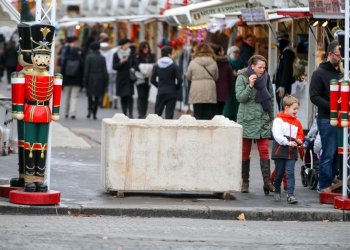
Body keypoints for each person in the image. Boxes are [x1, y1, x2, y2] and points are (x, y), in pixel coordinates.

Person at [11, 24, 62, 192]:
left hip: (44, 112)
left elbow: (57, 95)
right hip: (30, 111)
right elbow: (19, 93)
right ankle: (29, 177)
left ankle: (40, 177)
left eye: (46, 58)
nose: (43, 61)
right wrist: (18, 110)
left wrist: (55, 112)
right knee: (30, 145)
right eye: (40, 57)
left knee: (42, 146)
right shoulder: (24, 75)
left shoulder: (52, 77)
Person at [236, 55, 275, 194]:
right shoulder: (242, 77)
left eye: (264, 67)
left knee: (264, 150)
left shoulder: (266, 77)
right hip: (247, 118)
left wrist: (271, 117)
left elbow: (270, 97)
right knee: (245, 152)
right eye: (259, 67)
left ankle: (267, 183)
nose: (262, 70)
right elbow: (240, 97)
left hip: (262, 118)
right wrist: (250, 86)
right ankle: (245, 182)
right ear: (252, 66)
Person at [309, 40, 342, 192]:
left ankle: (331, 184)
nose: (340, 57)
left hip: (342, 118)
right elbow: (314, 96)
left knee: (337, 153)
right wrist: (333, 107)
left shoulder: (341, 72)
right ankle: (324, 186)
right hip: (326, 118)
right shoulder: (319, 73)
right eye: (337, 54)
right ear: (330, 54)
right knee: (328, 153)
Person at [271, 95, 304, 204]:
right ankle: (277, 190)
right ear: (286, 108)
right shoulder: (278, 120)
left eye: (297, 109)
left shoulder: (297, 122)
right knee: (279, 173)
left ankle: (291, 194)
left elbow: (300, 134)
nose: (296, 111)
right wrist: (289, 142)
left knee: (290, 172)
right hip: (280, 152)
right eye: (294, 109)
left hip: (292, 152)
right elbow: (278, 136)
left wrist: (299, 140)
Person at [186, 43, 218, 120]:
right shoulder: (213, 62)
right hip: (210, 90)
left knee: (197, 114)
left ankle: (198, 131)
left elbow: (188, 76)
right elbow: (216, 77)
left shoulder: (193, 62)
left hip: (196, 90)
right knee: (207, 114)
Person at [150, 46, 182, 119]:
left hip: (161, 91)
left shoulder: (157, 66)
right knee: (169, 114)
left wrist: (160, 86)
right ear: (169, 55)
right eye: (173, 53)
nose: (174, 55)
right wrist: (176, 87)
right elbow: (180, 79)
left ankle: (156, 129)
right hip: (171, 92)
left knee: (157, 115)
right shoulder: (174, 66)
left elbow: (152, 80)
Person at [83, 41, 109, 119]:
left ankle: (89, 110)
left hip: (90, 78)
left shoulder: (88, 57)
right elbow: (105, 70)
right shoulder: (102, 58)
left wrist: (84, 80)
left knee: (90, 96)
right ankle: (95, 113)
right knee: (97, 96)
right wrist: (106, 81)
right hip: (100, 78)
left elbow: (86, 70)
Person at [273, 31, 296, 111]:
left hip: (282, 86)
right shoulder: (283, 53)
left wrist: (282, 85)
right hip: (279, 85)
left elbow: (286, 70)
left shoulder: (287, 53)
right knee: (281, 107)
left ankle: (284, 123)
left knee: (283, 107)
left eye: (279, 39)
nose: (277, 42)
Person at [113, 38, 135, 118]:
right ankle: (124, 113)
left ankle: (131, 113)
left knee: (130, 96)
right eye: (126, 44)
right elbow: (114, 66)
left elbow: (135, 63)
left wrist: (133, 68)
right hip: (121, 78)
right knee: (123, 96)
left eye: (128, 44)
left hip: (129, 78)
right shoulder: (116, 54)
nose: (128, 46)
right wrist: (121, 62)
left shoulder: (131, 53)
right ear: (122, 45)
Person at [134, 41, 156, 118]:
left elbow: (154, 65)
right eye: (145, 47)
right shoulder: (137, 56)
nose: (146, 49)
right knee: (141, 96)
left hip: (148, 78)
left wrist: (146, 66)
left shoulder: (151, 56)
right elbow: (137, 66)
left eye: (147, 47)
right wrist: (149, 66)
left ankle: (144, 113)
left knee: (146, 96)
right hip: (140, 78)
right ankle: (140, 113)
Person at [222, 46, 245, 121]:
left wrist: (240, 73)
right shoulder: (226, 63)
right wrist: (231, 73)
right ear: (230, 53)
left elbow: (247, 72)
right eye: (235, 52)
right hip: (228, 89)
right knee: (228, 109)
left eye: (238, 52)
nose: (237, 54)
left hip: (239, 88)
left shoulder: (241, 63)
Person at [61, 45, 84, 119]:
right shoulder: (80, 59)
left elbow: (62, 71)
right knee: (74, 97)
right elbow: (83, 71)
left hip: (67, 81)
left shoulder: (66, 59)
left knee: (67, 97)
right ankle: (72, 113)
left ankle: (66, 113)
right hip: (76, 81)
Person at [211, 44, 233, 115]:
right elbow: (231, 81)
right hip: (223, 92)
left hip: (212, 91)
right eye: (222, 50)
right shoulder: (227, 65)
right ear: (220, 52)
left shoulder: (211, 63)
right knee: (220, 113)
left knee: (213, 113)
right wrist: (228, 92)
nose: (223, 52)